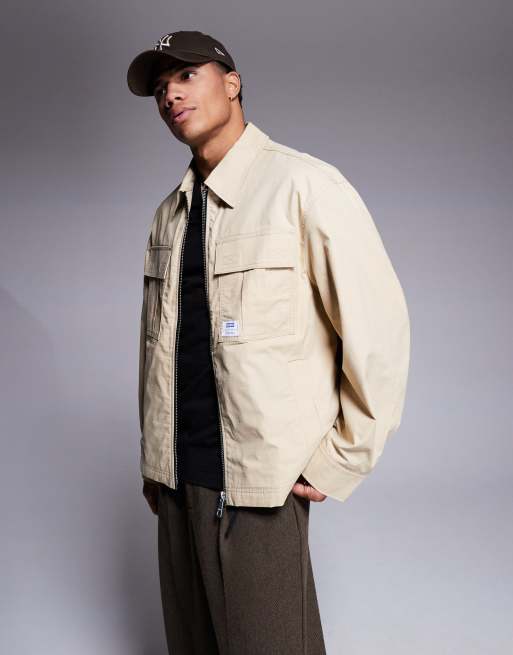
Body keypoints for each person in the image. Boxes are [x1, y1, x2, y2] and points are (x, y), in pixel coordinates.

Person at [127, 30, 410, 655]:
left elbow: (379, 329)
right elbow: (158, 348)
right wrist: (155, 460)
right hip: (176, 482)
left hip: (259, 484)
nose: (170, 95)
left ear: (232, 83)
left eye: (186, 76)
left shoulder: (304, 187)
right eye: (161, 87)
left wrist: (340, 458)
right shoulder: (168, 214)